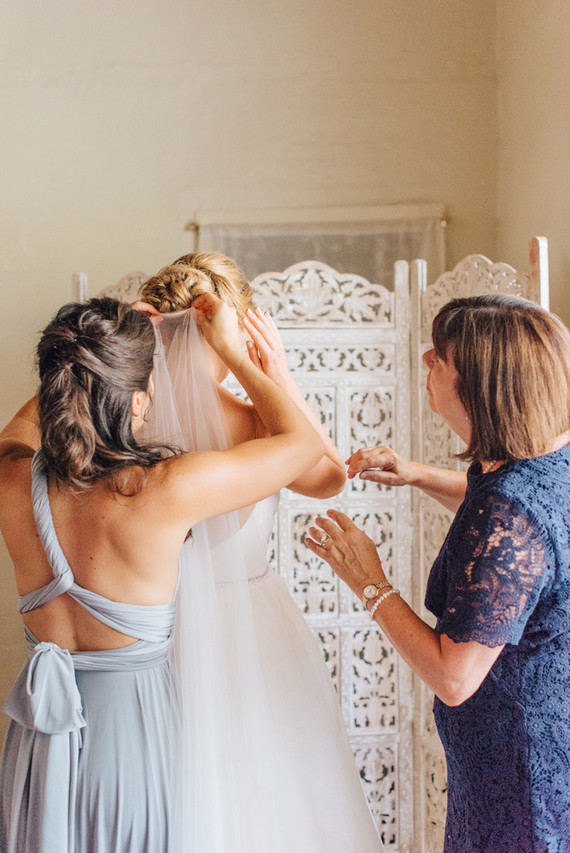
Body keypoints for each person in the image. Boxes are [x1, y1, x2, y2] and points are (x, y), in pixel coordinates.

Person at [0, 293, 326, 853]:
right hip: (132, 739)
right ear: (139, 403)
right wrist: (239, 354)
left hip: (36, 746)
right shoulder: (162, 490)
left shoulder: (11, 482)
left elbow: (18, 430)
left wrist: (82, 355)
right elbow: (302, 448)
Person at [133, 253, 384, 853]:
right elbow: (329, 476)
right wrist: (276, 373)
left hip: (154, 630)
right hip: (256, 634)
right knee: (275, 793)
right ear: (230, 331)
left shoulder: (128, 425)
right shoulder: (258, 424)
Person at [307, 293, 570, 853]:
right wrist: (418, 474)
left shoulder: (511, 512)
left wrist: (368, 582)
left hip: (519, 781)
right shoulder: (549, 461)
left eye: (440, 356)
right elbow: (519, 544)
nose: (426, 359)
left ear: (479, 383)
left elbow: (455, 678)